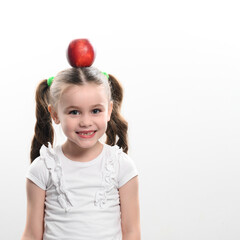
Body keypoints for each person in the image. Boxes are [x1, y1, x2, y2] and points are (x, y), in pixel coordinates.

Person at [21, 67, 141, 240]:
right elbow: (32, 234)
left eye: (95, 111)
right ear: (55, 114)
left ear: (109, 110)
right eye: (74, 112)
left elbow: (132, 232)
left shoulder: (121, 166)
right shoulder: (43, 168)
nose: (86, 122)